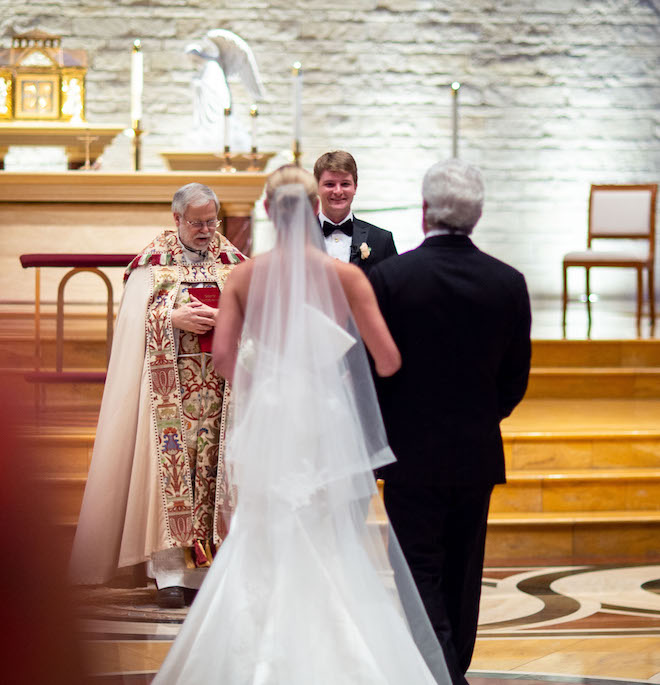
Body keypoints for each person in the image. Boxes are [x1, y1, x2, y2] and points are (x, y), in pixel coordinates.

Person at [152, 165, 452, 685]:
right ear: (314, 206)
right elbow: (386, 360)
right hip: (324, 414)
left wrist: (265, 370)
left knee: (264, 528)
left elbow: (223, 357)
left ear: (268, 209)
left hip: (270, 410)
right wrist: (331, 360)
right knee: (328, 533)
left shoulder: (244, 275)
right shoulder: (346, 276)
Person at [369, 159, 532, 685]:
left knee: (417, 573)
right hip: (475, 452)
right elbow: (515, 380)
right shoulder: (509, 283)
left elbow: (373, 373)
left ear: (423, 213)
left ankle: (442, 677)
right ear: (477, 217)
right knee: (465, 573)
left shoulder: (391, 278)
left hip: (408, 454)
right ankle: (452, 667)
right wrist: (478, 417)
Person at [69, 183, 246, 609]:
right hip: (170, 391)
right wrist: (171, 317)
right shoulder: (153, 263)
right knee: (171, 477)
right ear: (177, 220)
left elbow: (257, 314)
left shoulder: (235, 263)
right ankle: (170, 572)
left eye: (211, 222)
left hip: (222, 389)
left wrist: (226, 316)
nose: (206, 231)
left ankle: (211, 571)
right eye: (197, 223)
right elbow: (131, 324)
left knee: (213, 475)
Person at [314, 150, 397, 273]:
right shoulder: (298, 237)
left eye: (345, 184)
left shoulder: (381, 240)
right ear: (316, 187)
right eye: (330, 184)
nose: (338, 191)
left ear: (355, 187)